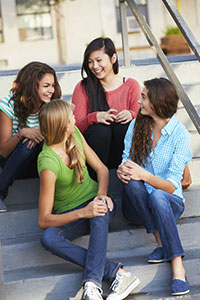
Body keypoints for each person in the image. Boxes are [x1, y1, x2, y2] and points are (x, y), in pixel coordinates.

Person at [37, 99, 140, 300]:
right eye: (71, 118)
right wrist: (84, 212)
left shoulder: (75, 134)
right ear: (62, 126)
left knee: (99, 211)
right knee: (48, 238)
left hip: (96, 202)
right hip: (73, 215)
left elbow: (102, 169)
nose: (75, 119)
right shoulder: (48, 163)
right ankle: (116, 273)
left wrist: (102, 195)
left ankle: (92, 283)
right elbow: (43, 220)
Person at [117, 78, 192, 296]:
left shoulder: (180, 135)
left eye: (143, 97)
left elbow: (170, 186)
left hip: (169, 203)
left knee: (159, 195)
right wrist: (123, 169)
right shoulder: (137, 124)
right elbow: (126, 158)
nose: (139, 101)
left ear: (157, 103)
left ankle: (177, 266)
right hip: (138, 203)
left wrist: (145, 175)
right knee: (132, 182)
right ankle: (162, 242)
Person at [72, 37, 140, 180]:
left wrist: (132, 114)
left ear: (113, 58)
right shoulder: (83, 87)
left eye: (99, 60)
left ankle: (128, 179)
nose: (94, 66)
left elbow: (144, 123)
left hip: (122, 155)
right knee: (100, 130)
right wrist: (94, 117)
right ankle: (94, 184)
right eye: (90, 62)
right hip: (94, 156)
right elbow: (75, 127)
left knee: (123, 127)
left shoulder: (131, 85)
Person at [0, 61, 61, 212]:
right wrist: (22, 133)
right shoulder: (8, 105)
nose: (51, 90)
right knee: (28, 143)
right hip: (15, 162)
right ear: (32, 86)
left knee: (44, 141)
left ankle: (61, 195)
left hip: (42, 162)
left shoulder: (51, 104)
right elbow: (3, 151)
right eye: (46, 86)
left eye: (53, 85)